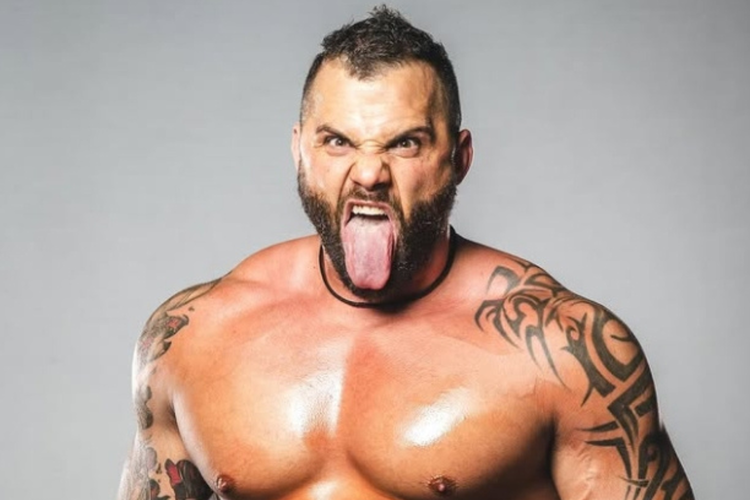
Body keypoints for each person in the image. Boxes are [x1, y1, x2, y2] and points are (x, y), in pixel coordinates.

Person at [118, 6, 694, 500]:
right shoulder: (192, 337)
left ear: (458, 158)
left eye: (405, 143)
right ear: (299, 151)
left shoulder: (564, 353)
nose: (369, 173)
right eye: (337, 141)